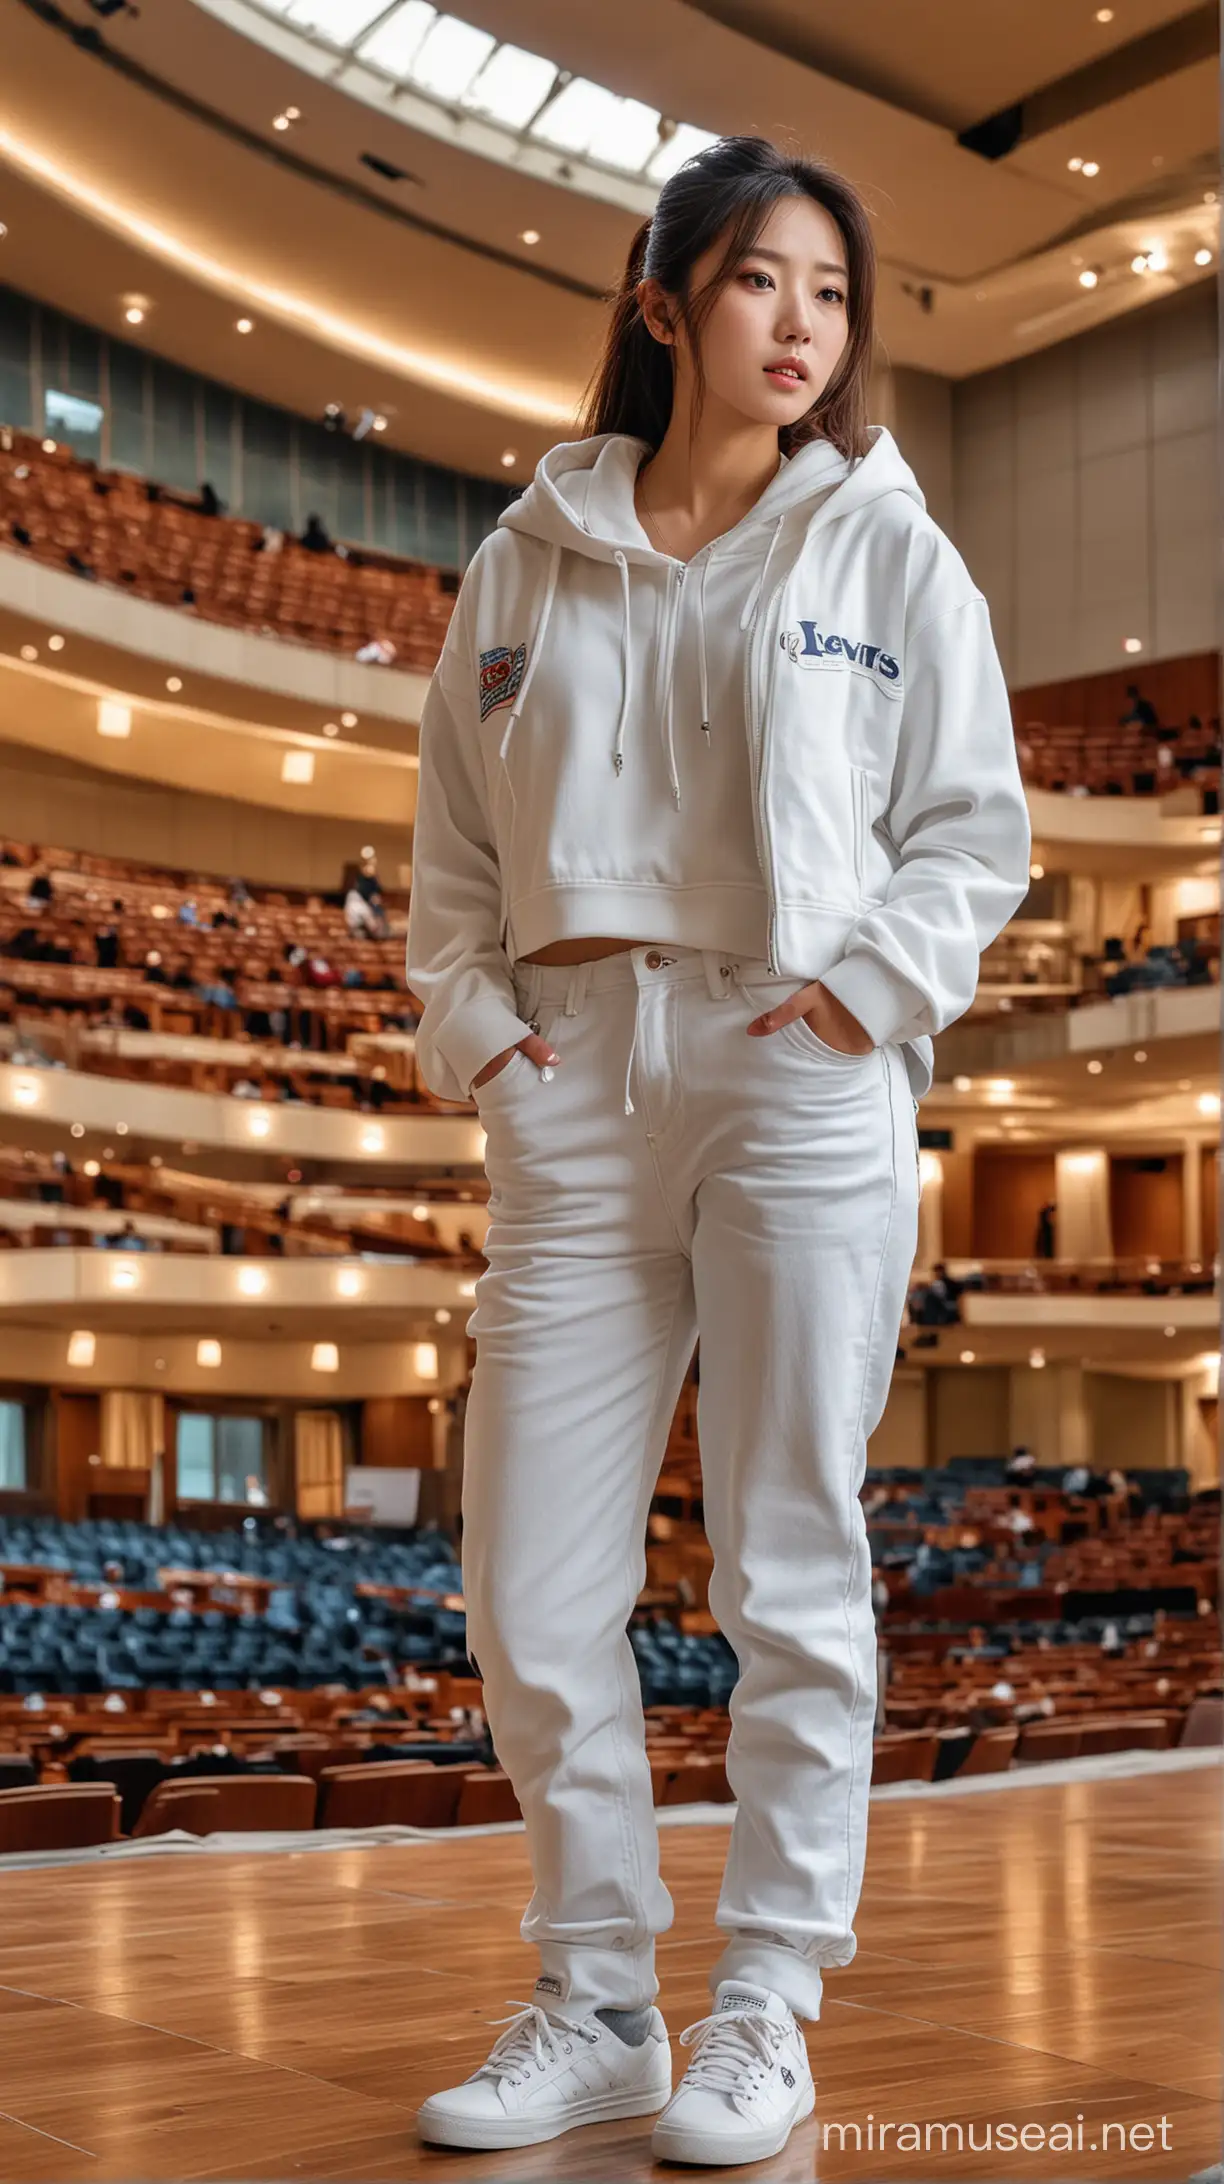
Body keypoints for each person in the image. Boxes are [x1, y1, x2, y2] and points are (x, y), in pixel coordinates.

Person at [407, 135, 1031, 2165]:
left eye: (832, 295)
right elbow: (447, 877)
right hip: (575, 1080)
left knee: (787, 1559)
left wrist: (863, 996)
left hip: (796, 1066)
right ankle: (598, 2000)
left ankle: (764, 2002)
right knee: (527, 1588)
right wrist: (495, 1046)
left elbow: (974, 831)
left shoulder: (888, 552)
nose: (803, 326)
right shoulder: (519, 562)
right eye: (762, 281)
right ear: (662, 300)